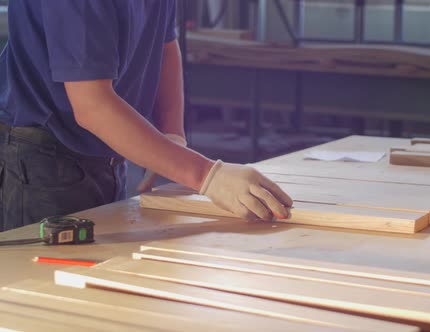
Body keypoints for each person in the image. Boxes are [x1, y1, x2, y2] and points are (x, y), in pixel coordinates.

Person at [0, 0, 292, 232]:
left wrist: (171, 137)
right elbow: (92, 105)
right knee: (43, 289)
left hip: (106, 150)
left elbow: (164, 46)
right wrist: (206, 175)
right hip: (41, 157)